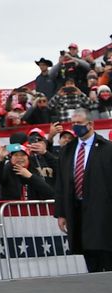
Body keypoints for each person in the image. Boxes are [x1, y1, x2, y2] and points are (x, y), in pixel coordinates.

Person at [53, 108, 112, 272]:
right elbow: (61, 184)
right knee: (88, 252)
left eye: (79, 123)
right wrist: (61, 213)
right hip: (77, 210)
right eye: (73, 124)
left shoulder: (107, 148)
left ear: (90, 124)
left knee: (105, 252)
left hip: (103, 210)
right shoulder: (67, 150)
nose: (75, 127)